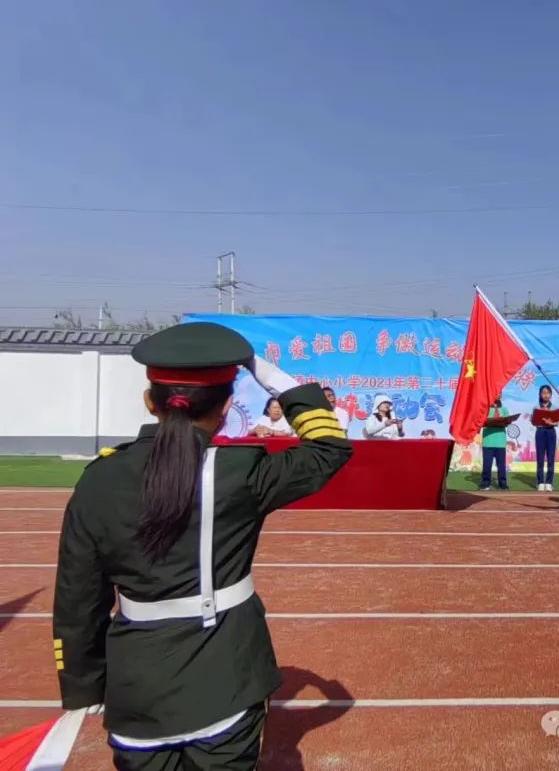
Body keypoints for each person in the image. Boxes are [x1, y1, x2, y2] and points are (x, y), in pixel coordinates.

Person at [51, 320, 352, 770]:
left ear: (149, 400)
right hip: (226, 680)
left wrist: (84, 685)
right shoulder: (238, 474)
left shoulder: (100, 478)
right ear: (228, 406)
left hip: (137, 689)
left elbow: (78, 596)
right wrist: (265, 371)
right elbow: (329, 447)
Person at [479, 396, 510, 491]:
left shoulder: (504, 409)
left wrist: (504, 421)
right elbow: (480, 420)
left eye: (499, 392)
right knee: (487, 465)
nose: (497, 394)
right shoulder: (485, 408)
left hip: (500, 442)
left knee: (501, 465)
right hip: (488, 441)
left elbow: (508, 421)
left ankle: (503, 484)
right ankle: (485, 483)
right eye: (496, 391)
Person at [534, 385, 558, 492]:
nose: (546, 395)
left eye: (548, 393)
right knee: (540, 458)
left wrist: (551, 422)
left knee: (551, 458)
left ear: (551, 395)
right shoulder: (536, 407)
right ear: (540, 394)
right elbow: (533, 421)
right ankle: (540, 482)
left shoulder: (554, 407)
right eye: (543, 393)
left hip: (551, 432)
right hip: (540, 432)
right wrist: (534, 419)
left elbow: (557, 422)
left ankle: (549, 482)